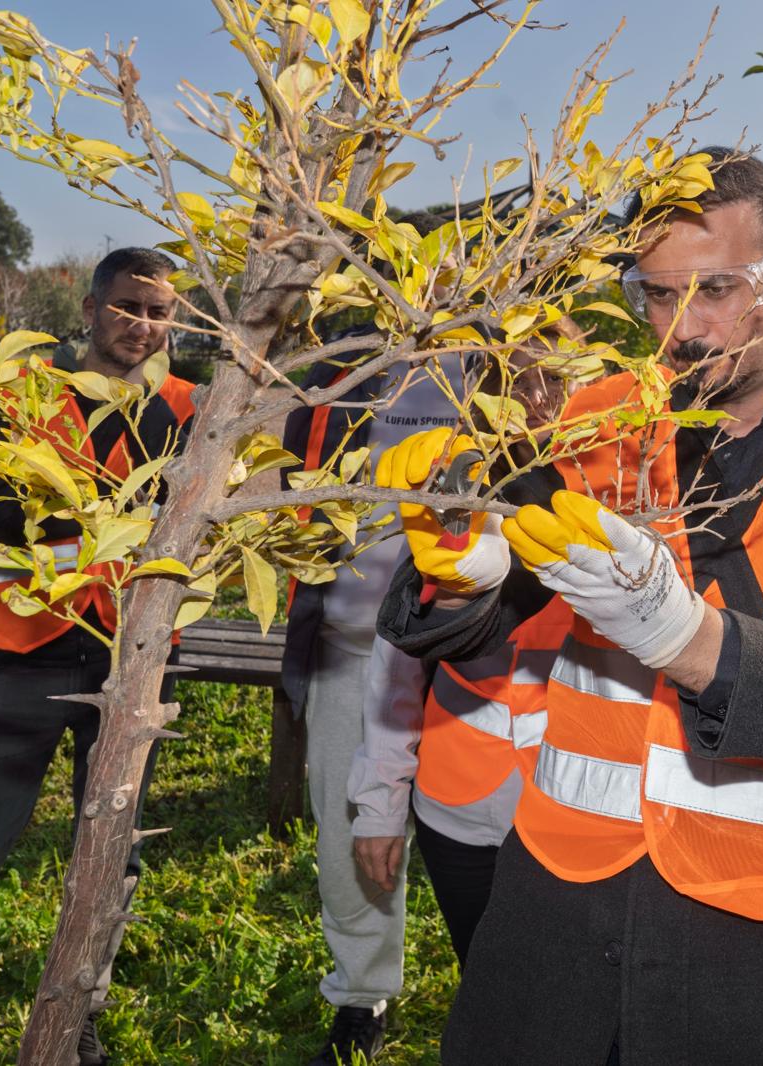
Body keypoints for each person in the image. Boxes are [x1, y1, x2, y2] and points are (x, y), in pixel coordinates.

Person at [373, 148, 763, 1064]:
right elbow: (490, 612)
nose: (682, 328)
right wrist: (464, 571)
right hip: (555, 922)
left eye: (717, 289)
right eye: (656, 294)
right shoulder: (601, 417)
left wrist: (689, 640)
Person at [0, 247, 194, 1066]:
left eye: (159, 313)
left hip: (135, 658)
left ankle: (78, 1017)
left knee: (111, 864)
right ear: (88, 308)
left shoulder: (191, 411)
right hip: (25, 651)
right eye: (128, 307)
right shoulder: (15, 394)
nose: (143, 326)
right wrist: (127, 522)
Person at [281, 212, 511, 1065]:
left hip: (473, 653)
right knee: (350, 838)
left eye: (452, 270)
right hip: (352, 647)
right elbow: (296, 499)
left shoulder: (504, 374)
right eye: (412, 269)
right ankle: (363, 992)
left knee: (489, 836)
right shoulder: (342, 372)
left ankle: (506, 990)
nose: (431, 285)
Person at [348, 338, 584, 972]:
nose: (535, 401)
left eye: (553, 381)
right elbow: (396, 667)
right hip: (461, 804)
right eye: (514, 382)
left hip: (583, 804)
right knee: (483, 977)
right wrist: (379, 805)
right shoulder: (450, 504)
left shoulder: (614, 497)